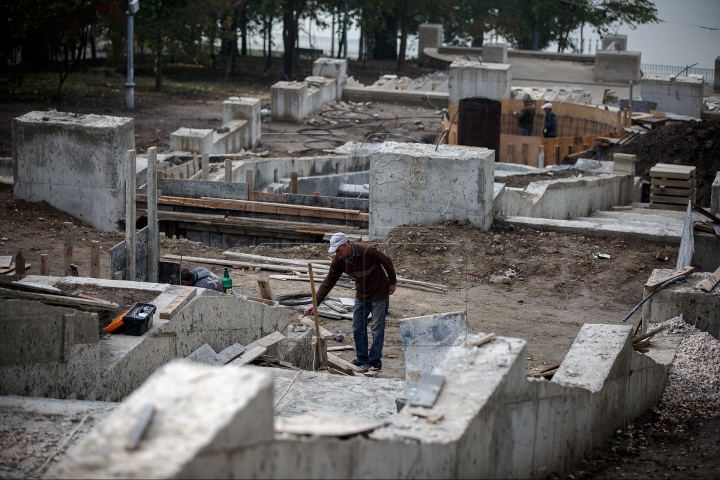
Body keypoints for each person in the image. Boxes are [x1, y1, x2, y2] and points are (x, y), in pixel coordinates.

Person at [303, 232, 396, 373]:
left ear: (347, 244)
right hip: (362, 295)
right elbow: (328, 282)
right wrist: (315, 304)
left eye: (338, 249)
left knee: (377, 329)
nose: (337, 253)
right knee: (358, 326)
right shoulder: (339, 260)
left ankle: (375, 362)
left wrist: (392, 282)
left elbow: (387, 261)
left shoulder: (367, 251)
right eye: (335, 251)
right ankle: (362, 359)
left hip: (379, 293)